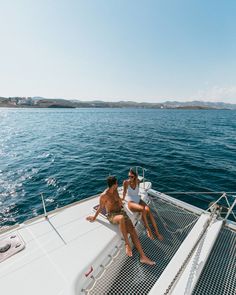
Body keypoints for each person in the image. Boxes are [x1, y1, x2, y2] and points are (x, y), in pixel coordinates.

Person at [86, 176, 155, 265]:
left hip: (121, 212)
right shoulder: (104, 196)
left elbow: (118, 200)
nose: (117, 185)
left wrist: (122, 203)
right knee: (121, 218)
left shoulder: (115, 191)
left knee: (133, 231)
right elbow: (100, 207)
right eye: (116, 183)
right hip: (112, 215)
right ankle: (127, 243)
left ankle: (143, 257)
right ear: (114, 185)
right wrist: (94, 217)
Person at [123, 168, 163, 241]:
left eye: (131, 176)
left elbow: (136, 191)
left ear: (135, 176)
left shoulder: (137, 181)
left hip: (138, 199)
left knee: (148, 210)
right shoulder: (126, 182)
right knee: (142, 209)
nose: (130, 178)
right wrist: (122, 199)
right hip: (131, 202)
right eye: (129, 176)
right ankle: (148, 229)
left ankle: (157, 232)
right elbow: (124, 192)